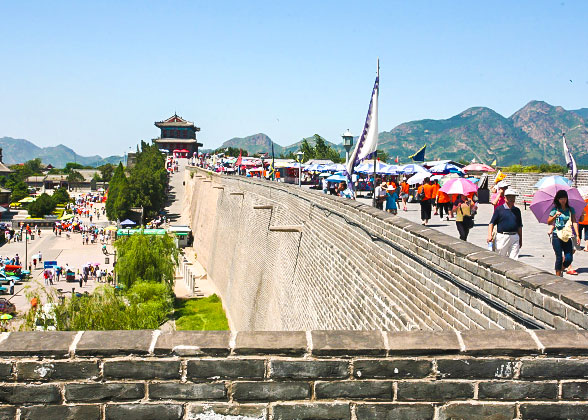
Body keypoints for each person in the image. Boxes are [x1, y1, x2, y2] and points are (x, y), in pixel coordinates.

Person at [547, 189, 580, 276]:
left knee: (569, 258)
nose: (563, 200)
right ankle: (558, 277)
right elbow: (549, 222)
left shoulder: (570, 209)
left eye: (564, 198)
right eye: (561, 198)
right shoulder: (555, 209)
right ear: (558, 199)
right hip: (556, 235)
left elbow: (574, 222)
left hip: (567, 235)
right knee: (559, 257)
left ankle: (561, 269)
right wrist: (555, 215)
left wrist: (578, 235)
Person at [487, 188, 523, 260]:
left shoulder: (517, 210)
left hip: (514, 236)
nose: (512, 199)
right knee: (500, 257)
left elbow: (519, 226)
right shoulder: (499, 209)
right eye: (509, 197)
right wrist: (489, 235)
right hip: (502, 237)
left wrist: (520, 239)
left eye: (513, 197)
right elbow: (491, 223)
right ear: (505, 198)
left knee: (514, 259)